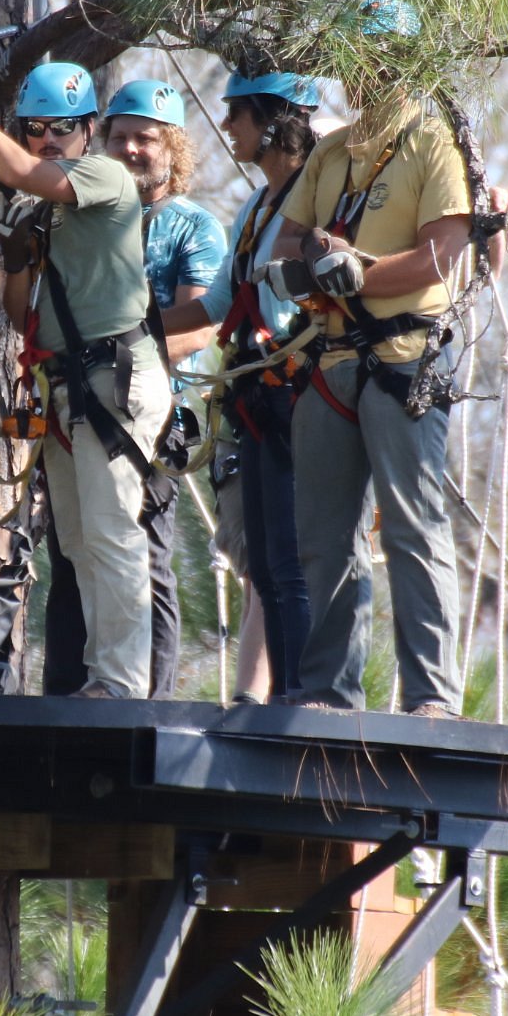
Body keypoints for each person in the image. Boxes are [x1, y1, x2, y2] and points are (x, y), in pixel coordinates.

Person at [269, 55, 508, 716]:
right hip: (331, 362)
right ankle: (328, 688)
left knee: (413, 524)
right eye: (360, 63)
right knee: (324, 533)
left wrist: (352, 275)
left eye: (385, 61)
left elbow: (441, 250)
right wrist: (312, 259)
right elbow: (287, 239)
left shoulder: (432, 141)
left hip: (404, 357)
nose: (369, 74)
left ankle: (431, 693)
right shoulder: (330, 151)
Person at [0, 62, 172, 700]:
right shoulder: (45, 210)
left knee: (109, 530)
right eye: (36, 127)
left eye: (63, 128)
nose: (48, 139)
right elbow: (23, 315)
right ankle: (106, 676)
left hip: (116, 377)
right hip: (72, 384)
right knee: (76, 539)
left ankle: (121, 682)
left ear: (88, 130)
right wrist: (18, 255)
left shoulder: (102, 173)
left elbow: (18, 169)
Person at [40, 79, 225, 699]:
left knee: (143, 549)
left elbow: (199, 323)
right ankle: (74, 684)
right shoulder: (82, 214)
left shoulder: (190, 226)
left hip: (149, 407)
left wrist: (127, 353)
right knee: (75, 549)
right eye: (119, 138)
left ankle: (150, 695)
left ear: (173, 149)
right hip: (81, 392)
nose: (131, 150)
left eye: (146, 139)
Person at [161, 71, 321, 701]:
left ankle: (298, 692)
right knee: (264, 561)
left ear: (275, 121)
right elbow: (217, 305)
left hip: (294, 388)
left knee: (290, 556)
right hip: (255, 393)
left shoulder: (315, 197)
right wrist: (127, 330)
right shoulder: (258, 208)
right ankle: (283, 692)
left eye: (237, 115)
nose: (226, 128)